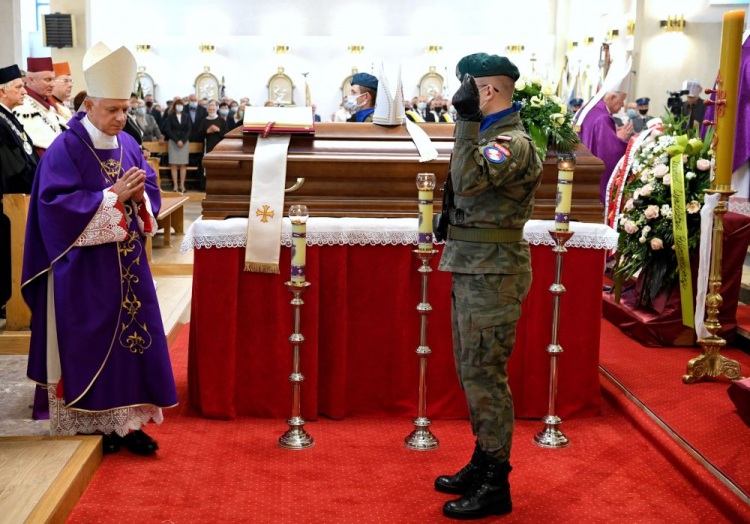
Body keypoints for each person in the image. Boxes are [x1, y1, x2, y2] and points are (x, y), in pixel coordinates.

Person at [23, 42, 177, 455]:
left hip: (128, 265)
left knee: (136, 340)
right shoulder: (65, 149)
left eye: (125, 109)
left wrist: (141, 199)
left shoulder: (127, 142)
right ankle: (96, 425)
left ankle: (128, 424)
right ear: (88, 104)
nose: (121, 118)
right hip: (84, 270)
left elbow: (149, 190)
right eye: (112, 110)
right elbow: (53, 209)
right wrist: (110, 197)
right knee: (93, 341)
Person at [435, 53, 542, 520]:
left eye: (467, 87)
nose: (461, 96)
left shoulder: (512, 142)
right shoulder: (490, 136)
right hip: (475, 266)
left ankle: (496, 481)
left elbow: (466, 179)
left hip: (493, 273)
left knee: (485, 377)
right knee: (472, 373)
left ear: (487, 91)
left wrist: (463, 121)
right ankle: (483, 460)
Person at [0, 64, 39, 318]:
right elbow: (11, 166)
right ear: (2, 91)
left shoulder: (8, 116)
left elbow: (27, 152)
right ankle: (7, 301)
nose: (24, 91)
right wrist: (36, 182)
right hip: (11, 200)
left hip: (22, 196)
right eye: (18, 87)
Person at [575, 59, 633, 203]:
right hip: (594, 189)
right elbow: (608, 155)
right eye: (622, 100)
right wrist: (619, 139)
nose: (622, 105)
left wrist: (612, 134)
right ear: (612, 97)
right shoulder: (602, 118)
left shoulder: (590, 110)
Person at [13, 57, 67, 154]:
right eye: (48, 80)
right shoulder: (22, 106)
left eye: (53, 79)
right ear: (31, 80)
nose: (53, 84)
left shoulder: (50, 106)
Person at [163, 98, 191, 193]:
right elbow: (168, 130)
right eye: (178, 105)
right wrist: (176, 140)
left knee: (183, 165)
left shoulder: (186, 116)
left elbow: (189, 129)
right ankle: (175, 186)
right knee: (174, 165)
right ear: (175, 106)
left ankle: (182, 186)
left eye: (181, 105)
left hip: (184, 142)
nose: (180, 106)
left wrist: (183, 140)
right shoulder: (170, 116)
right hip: (173, 142)